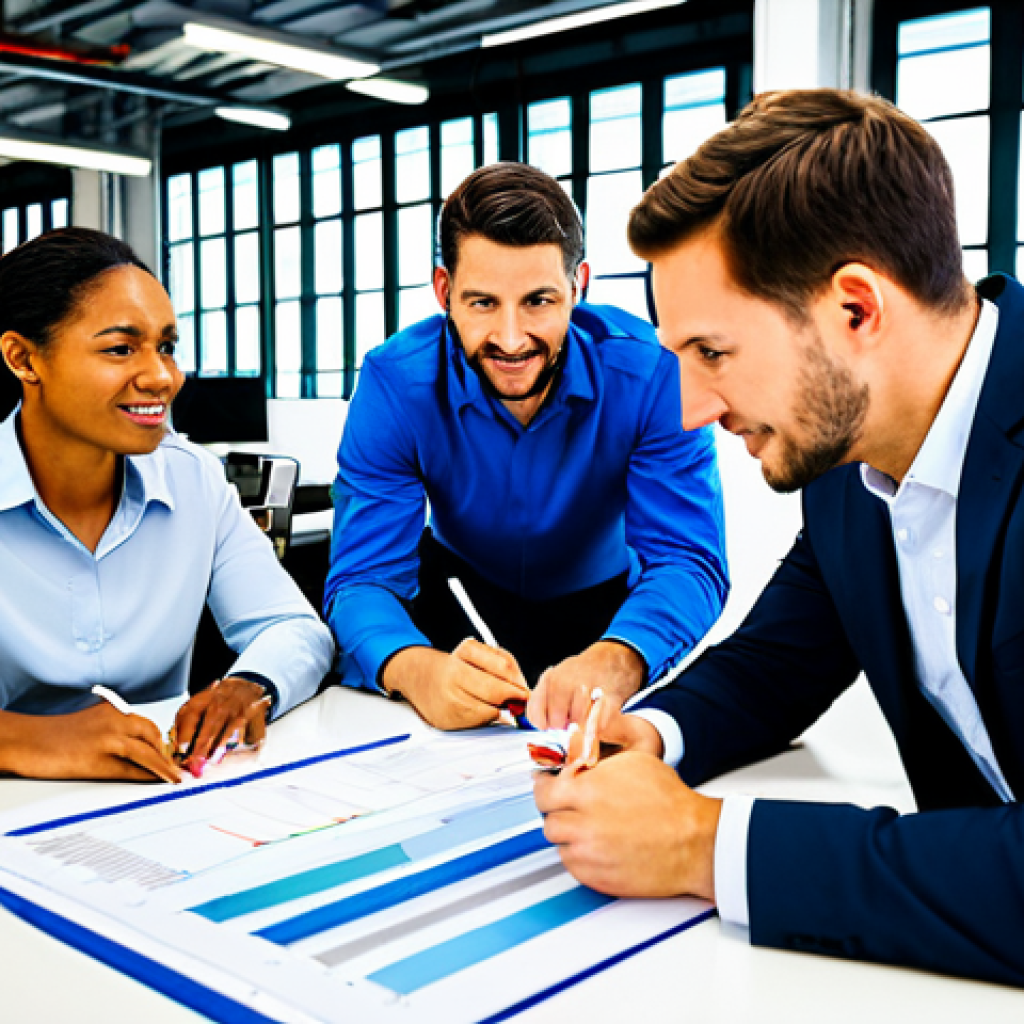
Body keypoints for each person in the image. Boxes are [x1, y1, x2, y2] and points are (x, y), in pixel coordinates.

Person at [535, 88, 1024, 988]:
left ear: (856, 309)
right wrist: (649, 737)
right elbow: (778, 664)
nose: (688, 408)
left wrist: (704, 846)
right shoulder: (852, 470)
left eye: (711, 353)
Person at [325, 162, 728, 731]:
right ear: (445, 292)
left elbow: (686, 559)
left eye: (538, 301)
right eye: (483, 303)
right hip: (457, 602)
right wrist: (415, 669)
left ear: (577, 287)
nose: (511, 340)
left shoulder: (655, 373)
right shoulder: (394, 384)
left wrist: (621, 659)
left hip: (609, 615)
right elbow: (363, 578)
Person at [0, 227, 334, 783]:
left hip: (168, 794)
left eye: (166, 347)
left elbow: (293, 628)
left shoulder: (193, 480)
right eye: (119, 348)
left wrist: (250, 685)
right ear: (23, 359)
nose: (162, 377)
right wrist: (24, 739)